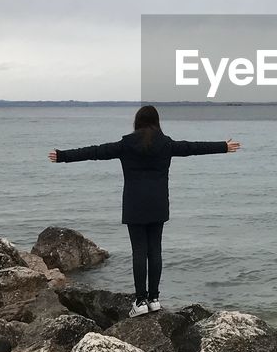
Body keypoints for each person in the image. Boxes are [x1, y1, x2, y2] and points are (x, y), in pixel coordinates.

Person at [49, 105, 240, 317]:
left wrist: (63, 156)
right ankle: (154, 299)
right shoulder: (166, 144)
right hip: (158, 203)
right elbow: (192, 147)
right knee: (155, 250)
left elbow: (95, 152)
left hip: (134, 204)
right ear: (157, 122)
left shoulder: (126, 144)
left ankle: (140, 301)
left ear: (137, 122)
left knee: (139, 252)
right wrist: (223, 146)